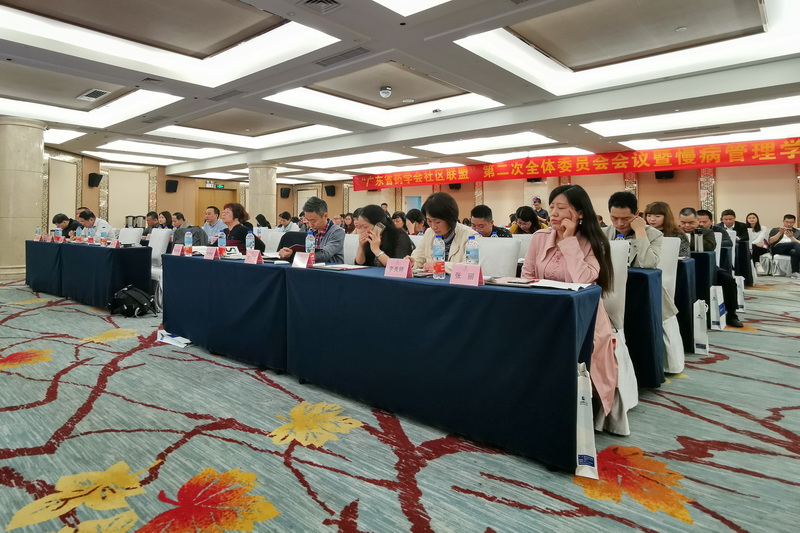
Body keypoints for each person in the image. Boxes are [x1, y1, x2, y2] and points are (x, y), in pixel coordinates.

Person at [521, 184, 616, 416]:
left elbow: (583, 281)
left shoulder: (594, 242)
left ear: (580, 213)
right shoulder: (540, 237)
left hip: (582, 314)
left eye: (562, 208)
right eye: (552, 206)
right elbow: (527, 277)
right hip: (544, 309)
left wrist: (569, 239)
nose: (553, 213)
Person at [678, 207, 744, 327]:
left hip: (706, 267)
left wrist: (685, 241)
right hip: (680, 269)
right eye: (683, 222)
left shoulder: (706, 232)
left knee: (728, 280)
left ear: (697, 221)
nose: (687, 225)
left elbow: (709, 245)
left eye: (691, 222)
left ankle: (732, 314)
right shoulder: (674, 231)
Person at [405, 192, 478, 273]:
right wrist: (412, 262)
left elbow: (470, 266)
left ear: (450, 219)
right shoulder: (429, 233)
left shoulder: (470, 236)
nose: (433, 226)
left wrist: (439, 266)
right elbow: (418, 257)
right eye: (429, 221)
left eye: (437, 222)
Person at [603, 191, 661, 268]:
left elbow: (648, 264)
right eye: (614, 218)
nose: (620, 223)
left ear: (636, 213)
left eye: (626, 218)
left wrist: (640, 231)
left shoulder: (654, 234)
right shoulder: (602, 233)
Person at [278, 197, 344, 264]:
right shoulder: (311, 231)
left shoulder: (337, 231)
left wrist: (299, 257)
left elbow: (325, 254)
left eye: (313, 221)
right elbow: (307, 251)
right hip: (312, 266)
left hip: (331, 268)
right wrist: (290, 253)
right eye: (308, 220)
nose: (310, 224)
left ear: (325, 216)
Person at [768, 214, 800, 278]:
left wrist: (792, 237)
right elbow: (771, 241)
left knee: (793, 251)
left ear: (794, 222)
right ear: (783, 221)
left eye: (791, 222)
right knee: (794, 244)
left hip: (791, 249)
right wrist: (780, 233)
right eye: (787, 222)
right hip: (778, 248)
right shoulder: (775, 229)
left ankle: (795, 272)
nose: (789, 224)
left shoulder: (798, 232)